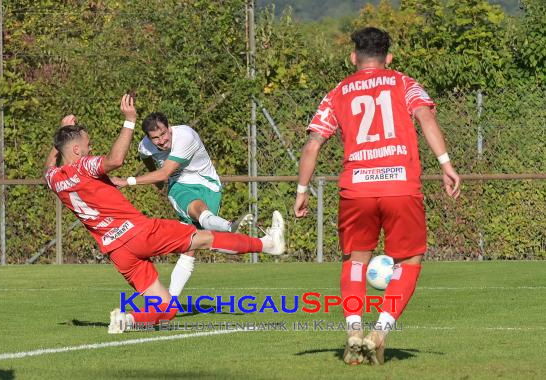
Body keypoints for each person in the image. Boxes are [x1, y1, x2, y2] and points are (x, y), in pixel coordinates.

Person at [43, 94, 285, 334]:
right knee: (204, 237)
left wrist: (62, 134)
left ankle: (127, 320)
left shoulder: (53, 179)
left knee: (166, 308)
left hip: (117, 251)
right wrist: (129, 120)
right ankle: (267, 244)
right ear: (77, 149)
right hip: (139, 233)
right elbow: (115, 160)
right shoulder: (84, 166)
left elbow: (50, 165)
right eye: (87, 144)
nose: (91, 147)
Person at [293, 27, 460, 365]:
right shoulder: (403, 82)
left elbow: (312, 143)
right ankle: (379, 332)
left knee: (355, 261)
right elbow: (425, 116)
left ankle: (354, 330)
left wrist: (301, 190)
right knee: (409, 261)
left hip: (357, 189)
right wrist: (446, 164)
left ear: (353, 57)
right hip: (400, 186)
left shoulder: (337, 92)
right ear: (389, 58)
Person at [111, 112, 252, 299]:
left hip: (209, 185)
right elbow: (149, 160)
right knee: (196, 214)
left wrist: (127, 181)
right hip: (180, 185)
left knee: (192, 246)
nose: (161, 141)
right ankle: (228, 226)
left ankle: (243, 236)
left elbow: (164, 173)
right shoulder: (145, 146)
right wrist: (156, 177)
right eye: (155, 138)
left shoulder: (185, 136)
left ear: (169, 128)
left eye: (163, 134)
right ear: (148, 138)